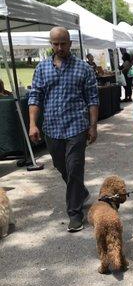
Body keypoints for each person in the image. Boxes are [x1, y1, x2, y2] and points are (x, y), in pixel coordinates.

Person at [28, 27, 99, 232]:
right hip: (51, 128)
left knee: (75, 167)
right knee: (62, 167)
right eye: (55, 43)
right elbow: (35, 97)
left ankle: (75, 214)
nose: (59, 47)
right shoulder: (42, 69)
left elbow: (92, 99)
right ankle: (81, 192)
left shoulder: (83, 68)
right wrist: (33, 124)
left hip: (76, 126)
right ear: (51, 44)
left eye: (63, 43)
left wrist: (93, 126)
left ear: (70, 43)